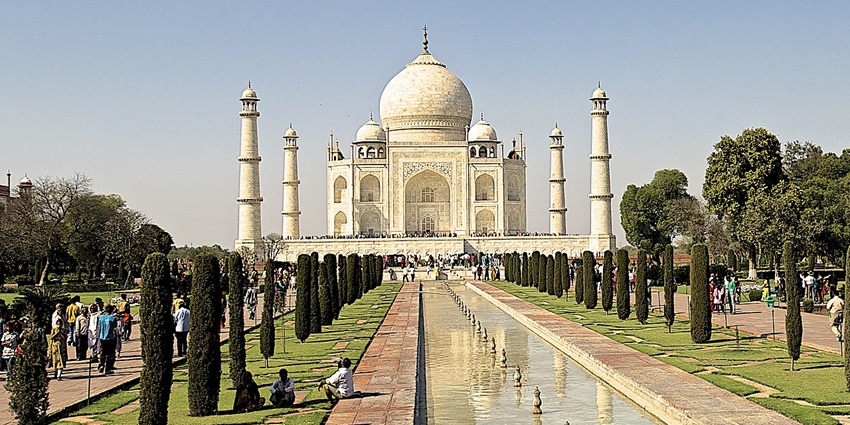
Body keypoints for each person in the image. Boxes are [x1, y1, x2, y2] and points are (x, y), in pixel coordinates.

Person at [98, 305, 118, 374]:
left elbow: (99, 326)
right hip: (110, 337)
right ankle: (108, 368)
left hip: (102, 337)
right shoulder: (113, 318)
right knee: (110, 353)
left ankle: (101, 364)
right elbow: (115, 328)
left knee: (103, 352)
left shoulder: (101, 318)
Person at [49, 306, 67, 380]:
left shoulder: (63, 330)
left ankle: (59, 375)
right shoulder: (54, 330)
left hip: (61, 347)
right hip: (55, 347)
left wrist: (60, 333)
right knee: (55, 361)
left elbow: (64, 338)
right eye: (58, 324)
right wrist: (56, 333)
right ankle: (55, 372)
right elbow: (51, 337)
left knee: (61, 361)